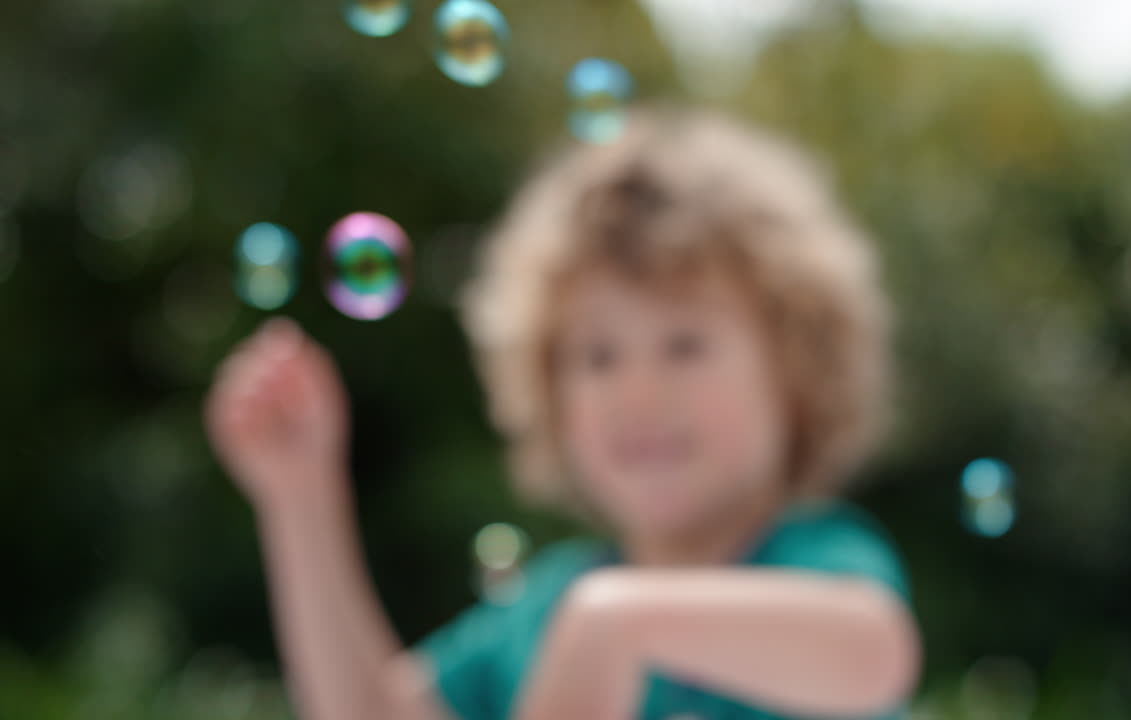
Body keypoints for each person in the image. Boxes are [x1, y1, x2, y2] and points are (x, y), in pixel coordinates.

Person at [204, 106, 922, 720]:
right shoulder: (545, 608)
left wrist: (618, 623)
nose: (637, 393)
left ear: (797, 375)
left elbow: (873, 652)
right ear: (549, 394)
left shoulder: (810, 559)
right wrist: (301, 498)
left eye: (686, 345)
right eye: (597, 357)